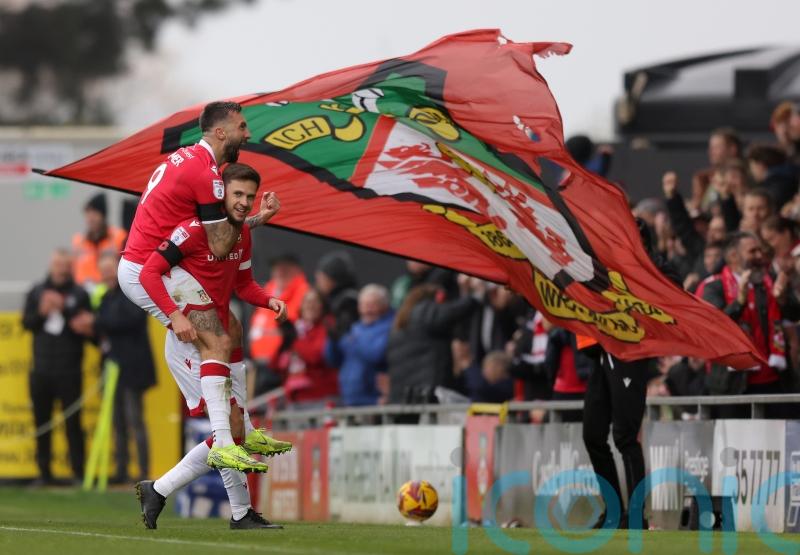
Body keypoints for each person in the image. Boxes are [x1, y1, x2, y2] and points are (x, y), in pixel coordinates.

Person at [117, 101, 279, 470]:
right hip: (152, 269)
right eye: (242, 126)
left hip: (153, 264)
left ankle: (241, 433)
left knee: (231, 327)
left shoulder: (188, 158)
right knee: (217, 339)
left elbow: (216, 235)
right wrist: (175, 315)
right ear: (221, 132)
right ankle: (225, 440)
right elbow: (220, 243)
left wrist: (255, 219)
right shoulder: (208, 175)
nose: (247, 133)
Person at [137, 164, 290, 529]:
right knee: (230, 432)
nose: (244, 202)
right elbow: (147, 273)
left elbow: (244, 285)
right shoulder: (191, 232)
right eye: (238, 194)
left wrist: (269, 301)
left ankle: (162, 490)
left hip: (218, 344)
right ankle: (236, 508)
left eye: (250, 196)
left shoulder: (241, 235)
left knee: (234, 431)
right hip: (192, 344)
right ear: (220, 193)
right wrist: (174, 315)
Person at [701, 232, 799, 417]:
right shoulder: (715, 287)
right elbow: (713, 327)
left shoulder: (770, 282)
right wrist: (738, 302)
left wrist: (783, 298)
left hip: (774, 383)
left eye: (760, 251)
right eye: (752, 251)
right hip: (733, 387)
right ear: (733, 256)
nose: (760, 256)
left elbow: (795, 315)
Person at [21, 248, 93, 485]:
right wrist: (42, 312)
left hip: (70, 369)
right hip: (41, 368)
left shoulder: (80, 293)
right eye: (57, 264)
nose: (60, 269)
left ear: (69, 267)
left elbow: (88, 329)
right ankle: (44, 474)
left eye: (64, 264)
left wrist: (64, 307)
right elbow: (27, 323)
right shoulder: (37, 291)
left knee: (73, 423)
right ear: (51, 265)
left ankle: (78, 473)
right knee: (42, 422)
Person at [93, 253, 156, 484]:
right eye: (104, 271)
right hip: (112, 368)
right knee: (117, 422)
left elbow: (129, 322)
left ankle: (142, 471)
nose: (107, 275)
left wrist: (97, 324)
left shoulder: (132, 293)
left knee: (134, 420)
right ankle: (121, 470)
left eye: (110, 270)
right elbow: (104, 330)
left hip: (132, 368)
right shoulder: (105, 298)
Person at [386, 282, 479, 404]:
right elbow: (454, 311)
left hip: (401, 399)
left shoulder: (401, 322)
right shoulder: (424, 311)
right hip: (424, 396)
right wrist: (475, 296)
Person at [248, 254, 309, 393]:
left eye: (285, 269)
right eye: (277, 269)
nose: (280, 273)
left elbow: (293, 326)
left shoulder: (303, 292)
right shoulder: (266, 291)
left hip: (285, 367)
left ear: (296, 270)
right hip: (260, 367)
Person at [325, 284, 393, 406]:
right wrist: (333, 339)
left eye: (372, 304)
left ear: (384, 306)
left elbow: (375, 354)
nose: (367, 309)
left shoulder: (390, 326)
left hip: (376, 400)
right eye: (364, 305)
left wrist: (354, 338)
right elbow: (333, 361)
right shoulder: (355, 328)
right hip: (350, 399)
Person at [275, 288, 339, 408]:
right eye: (307, 302)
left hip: (321, 396)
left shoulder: (327, 326)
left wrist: (295, 340)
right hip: (295, 397)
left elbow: (316, 356)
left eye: (315, 302)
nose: (310, 306)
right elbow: (276, 365)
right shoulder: (297, 328)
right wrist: (283, 342)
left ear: (322, 306)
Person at [71, 193, 127, 293]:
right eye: (88, 213)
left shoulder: (119, 237)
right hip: (84, 295)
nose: (90, 218)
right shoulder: (78, 241)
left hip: (111, 291)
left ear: (103, 215)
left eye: (94, 213)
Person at [315, 251, 359, 340]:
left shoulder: (348, 302)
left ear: (333, 279)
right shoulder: (332, 299)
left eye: (322, 276)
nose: (317, 280)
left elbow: (343, 337)